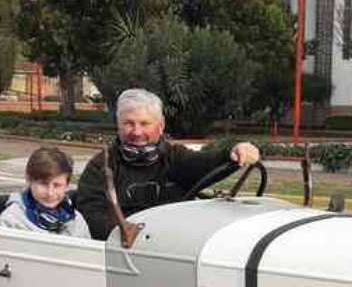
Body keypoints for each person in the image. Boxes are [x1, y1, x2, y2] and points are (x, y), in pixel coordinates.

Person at [76, 88, 260, 240]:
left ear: (161, 125)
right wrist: (128, 236)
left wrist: (234, 152)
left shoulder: (175, 157)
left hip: (175, 245)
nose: (137, 131)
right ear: (118, 124)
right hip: (126, 250)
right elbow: (92, 213)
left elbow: (206, 162)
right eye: (129, 123)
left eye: (144, 123)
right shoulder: (101, 165)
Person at [0, 146, 91, 238]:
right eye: (43, 184)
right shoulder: (11, 220)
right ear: (29, 180)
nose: (50, 193)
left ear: (67, 185)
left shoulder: (77, 221)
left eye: (57, 185)